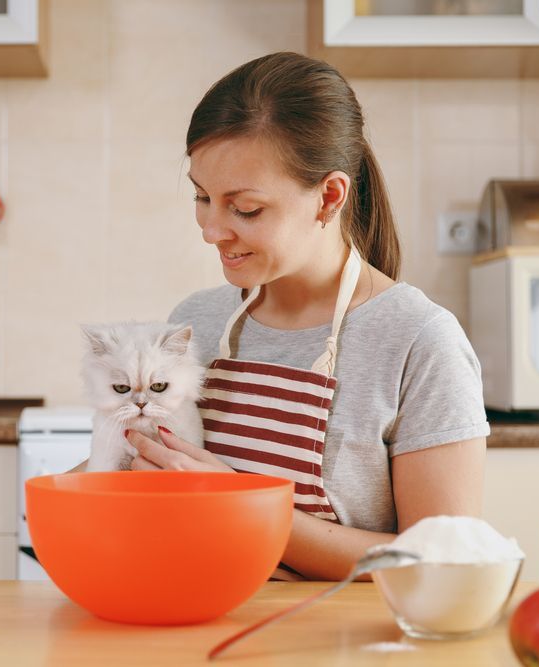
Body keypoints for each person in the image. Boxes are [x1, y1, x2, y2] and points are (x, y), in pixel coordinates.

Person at [123, 51, 490, 582]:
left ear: (329, 196)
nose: (211, 229)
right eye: (202, 197)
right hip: (190, 621)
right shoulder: (194, 322)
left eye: (245, 208)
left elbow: (442, 562)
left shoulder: (418, 341)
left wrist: (242, 505)